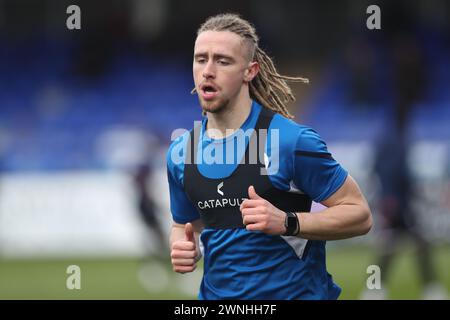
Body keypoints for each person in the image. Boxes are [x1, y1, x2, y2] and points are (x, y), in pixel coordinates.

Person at [166, 13, 372, 300]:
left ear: (250, 71)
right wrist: (184, 247)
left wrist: (289, 222)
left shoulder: (290, 141)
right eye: (201, 59)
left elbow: (359, 214)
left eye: (223, 61)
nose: (207, 71)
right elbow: (184, 225)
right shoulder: (181, 151)